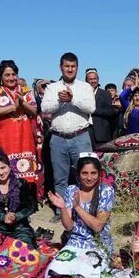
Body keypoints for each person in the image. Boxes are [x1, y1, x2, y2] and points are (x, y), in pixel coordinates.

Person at [41, 52, 95, 222]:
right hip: (58, 138)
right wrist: (60, 100)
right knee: (60, 176)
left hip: (81, 136)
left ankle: (86, 209)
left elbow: (91, 107)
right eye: (67, 66)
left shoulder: (85, 87)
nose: (70, 69)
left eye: (73, 66)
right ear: (61, 67)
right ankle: (61, 210)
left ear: (77, 68)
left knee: (86, 175)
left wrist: (73, 99)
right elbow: (45, 107)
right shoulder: (52, 87)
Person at [46, 153, 115, 278]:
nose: (89, 178)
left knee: (85, 273)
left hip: (98, 243)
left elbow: (98, 226)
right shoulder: (72, 190)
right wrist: (62, 208)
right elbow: (69, 226)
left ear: (99, 174)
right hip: (76, 242)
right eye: (85, 173)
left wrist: (77, 207)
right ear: (78, 174)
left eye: (93, 173)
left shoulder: (106, 191)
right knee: (55, 270)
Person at [0, 60, 41, 199]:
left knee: (25, 168)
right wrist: (13, 107)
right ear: (1, 76)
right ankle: (7, 201)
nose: (11, 78)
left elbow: (34, 111)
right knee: (4, 168)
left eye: (13, 74)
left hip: (24, 136)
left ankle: (25, 201)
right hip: (4, 137)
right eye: (7, 75)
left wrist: (22, 103)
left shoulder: (25, 91)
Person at [0, 146, 37, 247]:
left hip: (20, 228)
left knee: (24, 252)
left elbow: (31, 207)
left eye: (3, 167)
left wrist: (16, 216)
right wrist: (3, 217)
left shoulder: (21, 184)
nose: (1, 172)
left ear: (9, 166)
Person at [85, 68, 115, 146]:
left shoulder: (105, 94)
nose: (93, 81)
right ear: (86, 81)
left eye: (95, 79)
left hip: (101, 133)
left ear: (98, 79)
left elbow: (109, 112)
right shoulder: (83, 94)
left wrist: (94, 110)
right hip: (86, 131)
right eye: (90, 79)